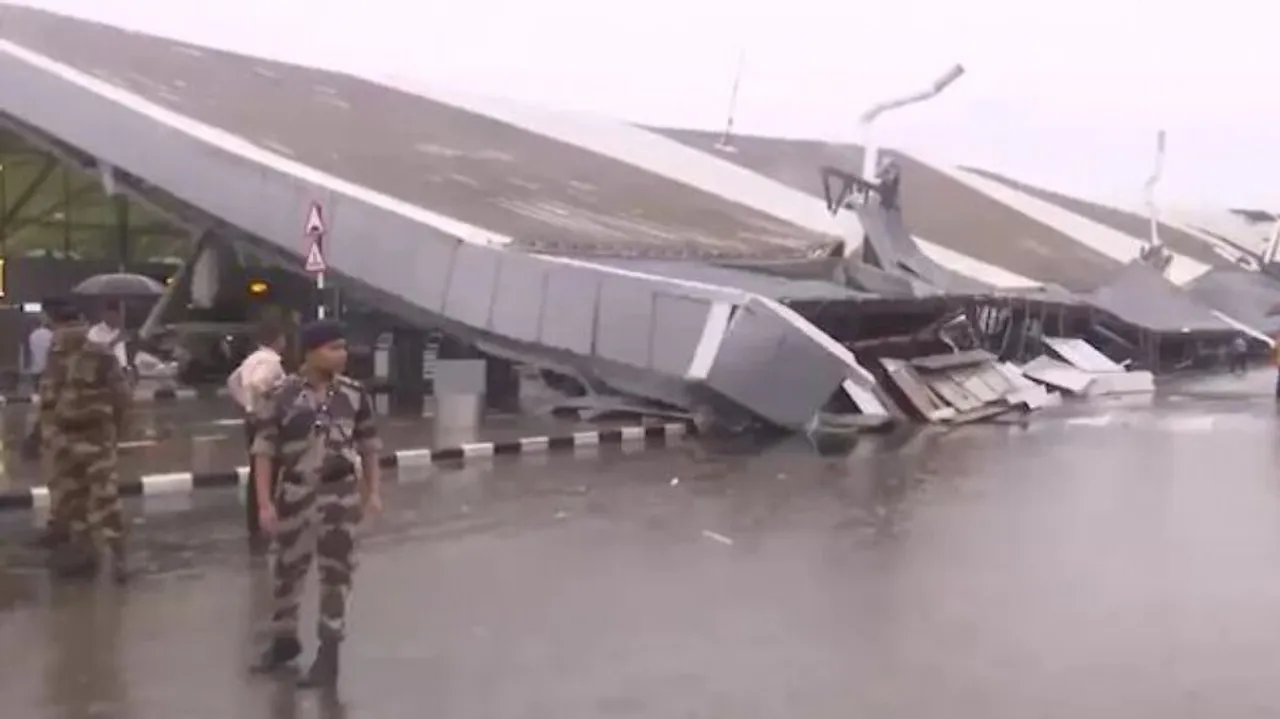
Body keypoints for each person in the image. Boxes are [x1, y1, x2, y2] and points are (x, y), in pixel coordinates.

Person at [250, 320, 382, 688]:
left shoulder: (355, 395)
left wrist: (374, 493)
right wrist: (264, 503)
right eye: (333, 348)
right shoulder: (281, 396)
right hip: (294, 495)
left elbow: (370, 446)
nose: (342, 355)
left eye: (343, 347)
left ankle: (329, 655)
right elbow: (264, 452)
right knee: (287, 571)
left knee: (336, 576)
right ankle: (284, 641)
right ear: (310, 351)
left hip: (339, 495)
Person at [38, 299, 131, 581]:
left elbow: (47, 400)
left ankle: (108, 558)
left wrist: (46, 436)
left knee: (91, 499)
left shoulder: (89, 357)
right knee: (86, 499)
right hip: (84, 439)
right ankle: (95, 557)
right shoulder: (68, 358)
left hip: (82, 440)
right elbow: (122, 398)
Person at [227, 321, 288, 548]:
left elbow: (233, 382)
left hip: (251, 421)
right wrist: (267, 397)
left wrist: (246, 405)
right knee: (268, 474)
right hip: (266, 422)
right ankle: (265, 522)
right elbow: (258, 383)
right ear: (278, 339)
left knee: (256, 473)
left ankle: (254, 525)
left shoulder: (251, 359)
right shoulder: (271, 362)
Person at [87, 303, 130, 370]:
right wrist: (115, 341)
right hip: (105, 368)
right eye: (111, 315)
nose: (114, 318)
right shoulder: (96, 331)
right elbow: (93, 348)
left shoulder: (121, 331)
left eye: (116, 316)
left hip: (125, 368)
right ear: (105, 315)